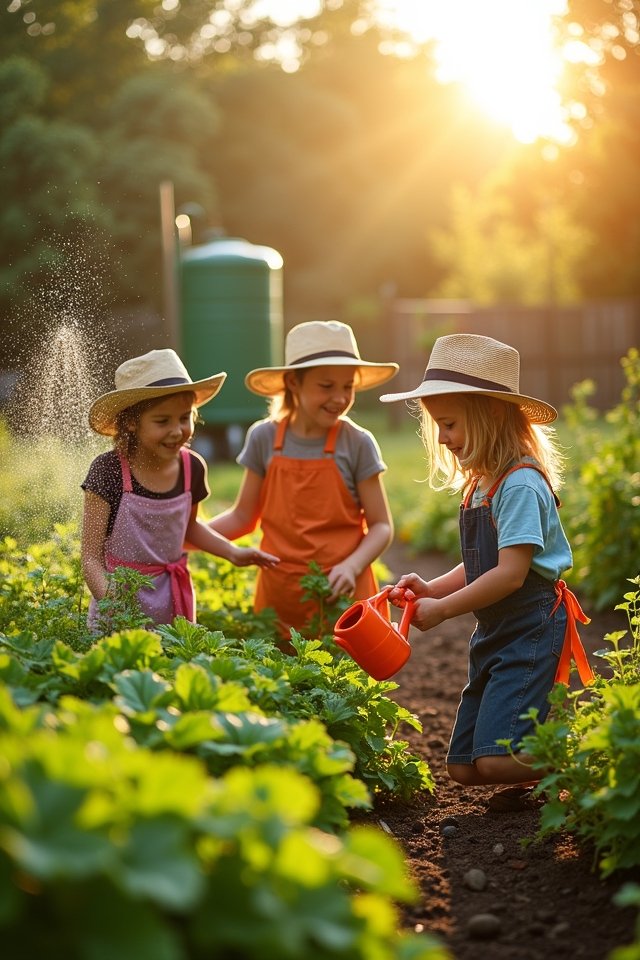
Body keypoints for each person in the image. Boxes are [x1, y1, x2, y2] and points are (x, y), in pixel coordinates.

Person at [379, 333, 593, 812]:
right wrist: (429, 588)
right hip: (496, 630)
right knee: (462, 766)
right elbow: (481, 564)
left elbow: (511, 575)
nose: (444, 437)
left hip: (529, 625)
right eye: (438, 426)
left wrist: (443, 611)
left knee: (494, 763)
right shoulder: (481, 485)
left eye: (450, 423)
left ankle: (584, 760)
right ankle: (540, 770)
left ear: (491, 414)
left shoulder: (518, 485)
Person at [207, 320, 399, 640]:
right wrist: (187, 539)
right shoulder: (264, 437)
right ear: (294, 383)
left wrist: (352, 566)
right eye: (326, 386)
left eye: (347, 386)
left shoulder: (357, 443)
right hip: (280, 598)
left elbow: (381, 525)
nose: (339, 398)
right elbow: (243, 517)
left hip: (345, 599)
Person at [82, 348, 279, 630]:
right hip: (118, 601)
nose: (177, 430)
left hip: (171, 596)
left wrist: (231, 552)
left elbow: (189, 528)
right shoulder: (109, 471)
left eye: (184, 418)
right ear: (131, 423)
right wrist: (113, 604)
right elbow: (90, 558)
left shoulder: (191, 468)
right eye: (163, 421)